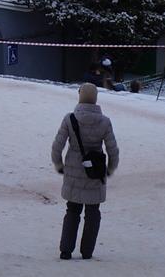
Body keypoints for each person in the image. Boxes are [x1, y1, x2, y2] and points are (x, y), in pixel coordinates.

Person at [51, 82, 119, 260]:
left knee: (72, 210)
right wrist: (110, 169)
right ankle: (87, 251)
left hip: (74, 170)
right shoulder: (104, 122)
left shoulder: (70, 119)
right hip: (95, 173)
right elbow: (113, 150)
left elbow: (57, 147)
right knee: (93, 212)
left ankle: (66, 250)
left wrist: (59, 165)